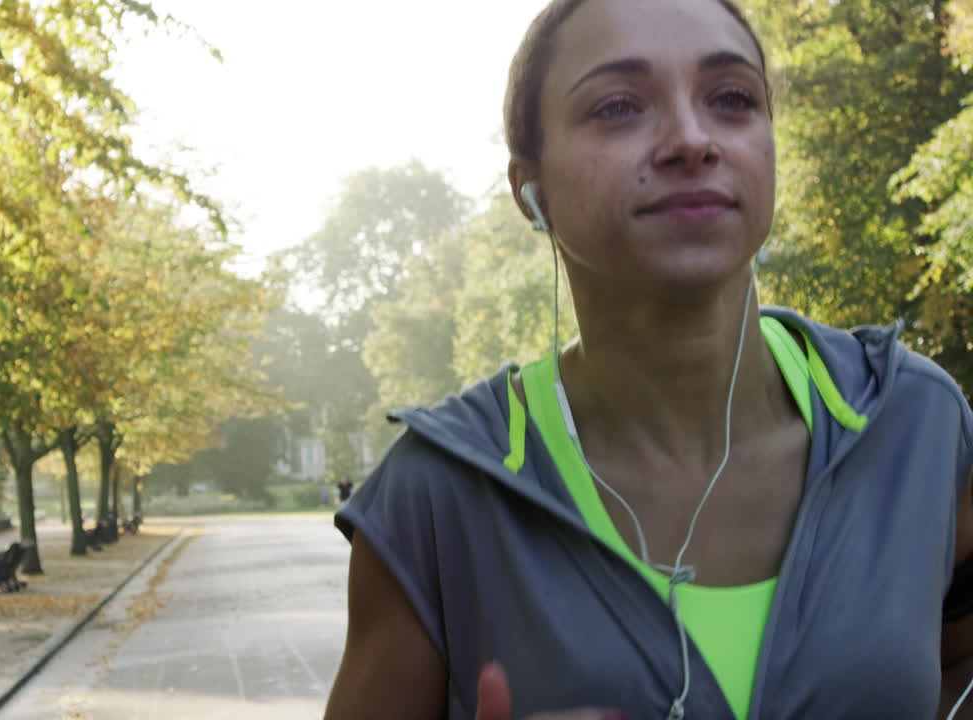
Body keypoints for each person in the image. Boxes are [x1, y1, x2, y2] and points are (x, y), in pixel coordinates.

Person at [323, 1, 973, 718]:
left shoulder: (917, 428)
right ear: (528, 190)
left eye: (732, 99)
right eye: (619, 106)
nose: (692, 141)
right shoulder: (439, 498)